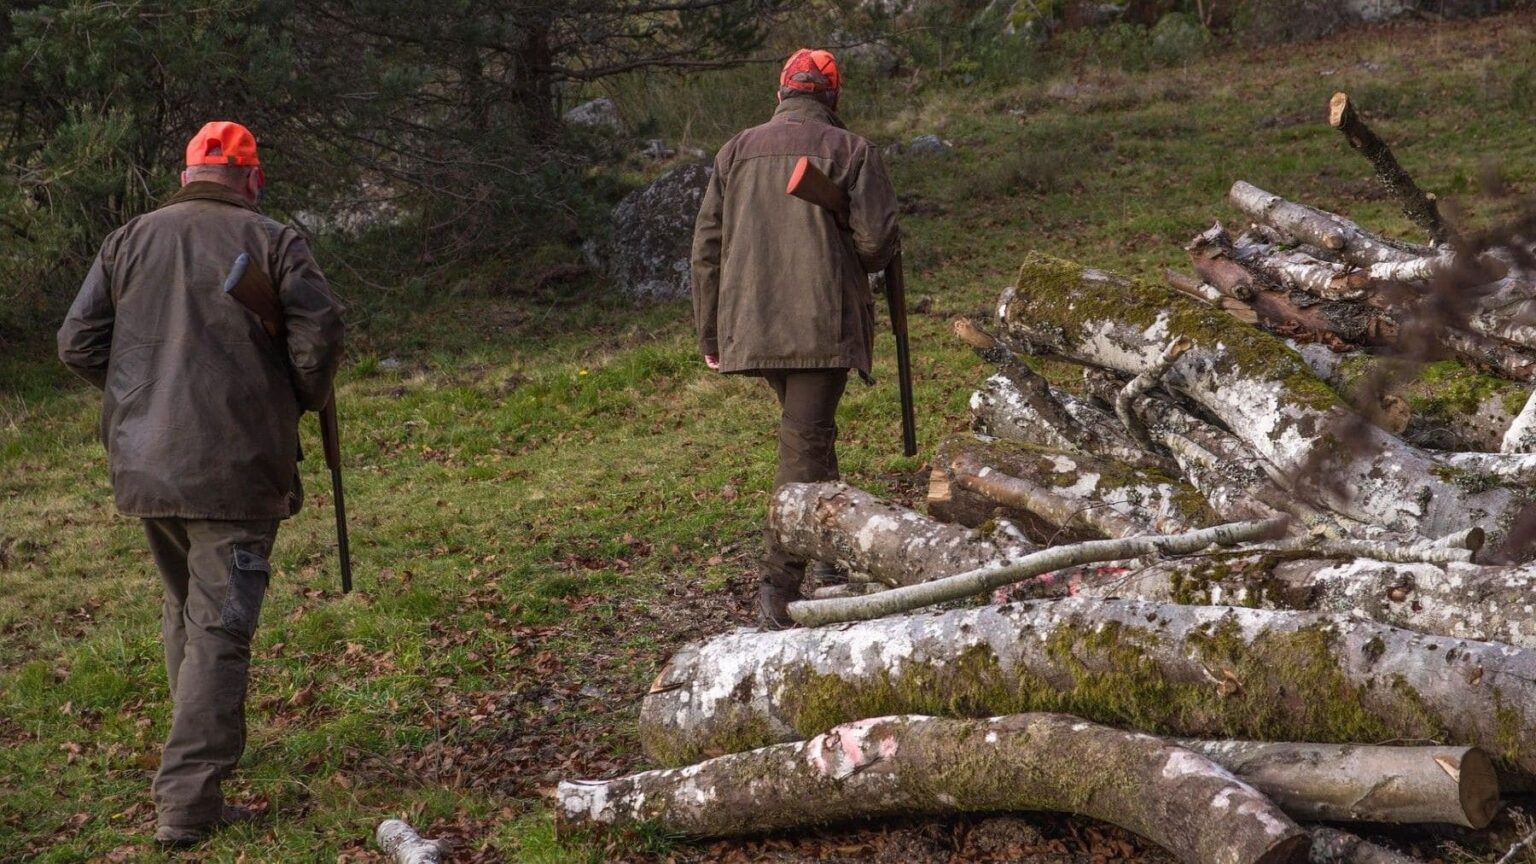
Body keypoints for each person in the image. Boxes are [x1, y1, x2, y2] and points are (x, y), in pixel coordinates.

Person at [57, 121, 345, 847]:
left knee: (186, 608)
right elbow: (320, 337)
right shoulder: (278, 241)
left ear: (189, 175)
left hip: (145, 464)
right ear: (253, 179)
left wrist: (136, 397)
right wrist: (298, 397)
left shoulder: (127, 239)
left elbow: (76, 343)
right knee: (221, 629)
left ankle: (196, 768)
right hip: (235, 468)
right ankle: (187, 804)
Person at [691, 49, 901, 628]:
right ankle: (777, 590)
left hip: (752, 326)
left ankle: (828, 557)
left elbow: (707, 246)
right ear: (832, 96)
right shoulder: (854, 150)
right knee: (803, 450)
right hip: (819, 323)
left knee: (809, 436)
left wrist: (712, 332)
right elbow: (875, 247)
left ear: (781, 91)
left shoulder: (735, 149)